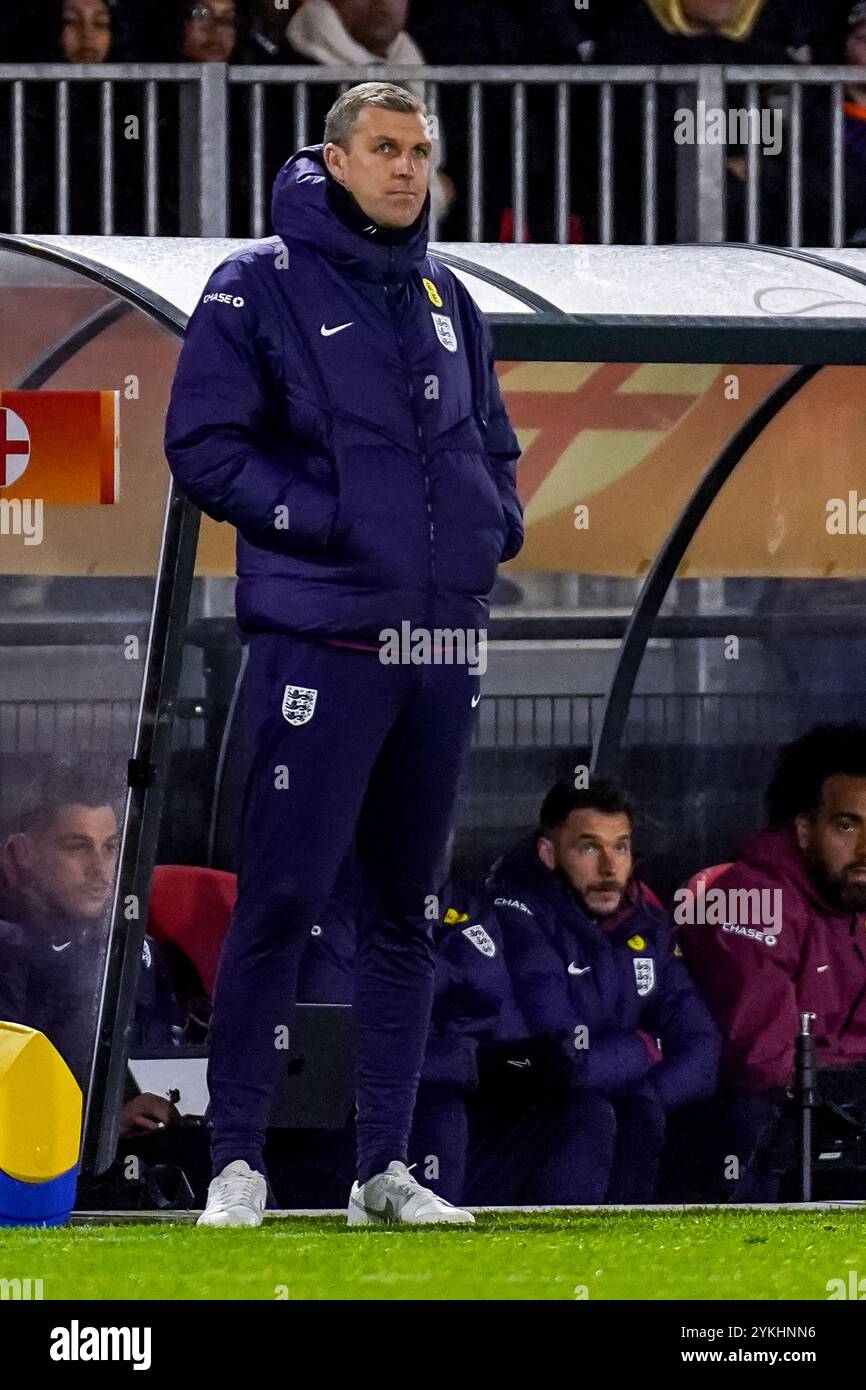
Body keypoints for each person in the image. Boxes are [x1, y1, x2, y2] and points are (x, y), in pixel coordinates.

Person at [163, 80, 523, 1228]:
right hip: (321, 638)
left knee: (407, 911)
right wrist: (327, 526)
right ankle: (236, 1162)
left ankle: (385, 1169)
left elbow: (493, 442)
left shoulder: (443, 290)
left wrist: (487, 527)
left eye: (419, 149)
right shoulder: (252, 283)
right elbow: (205, 449)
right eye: (384, 148)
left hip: (438, 641)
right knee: (279, 899)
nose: (407, 168)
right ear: (332, 157)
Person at [486, 779, 719, 1203]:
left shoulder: (647, 924)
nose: (610, 868)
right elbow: (559, 1059)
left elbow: (701, 1047)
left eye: (622, 847)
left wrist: (642, 1094)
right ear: (548, 854)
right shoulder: (515, 917)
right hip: (520, 1111)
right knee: (591, 1114)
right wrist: (643, 1049)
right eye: (589, 848)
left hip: (622, 1101)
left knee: (645, 1114)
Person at [679, 723, 866, 1200]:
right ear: (804, 829)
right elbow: (760, 1058)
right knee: (754, 1115)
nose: (865, 849)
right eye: (848, 825)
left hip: (835, 1103)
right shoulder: (751, 895)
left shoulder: (853, 897)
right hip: (743, 1113)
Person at [0, 762, 181, 1144]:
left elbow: (165, 1063)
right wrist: (100, 1125)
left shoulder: (138, 952)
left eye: (110, 847)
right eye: (77, 847)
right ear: (21, 854)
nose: (99, 868)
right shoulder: (8, 955)